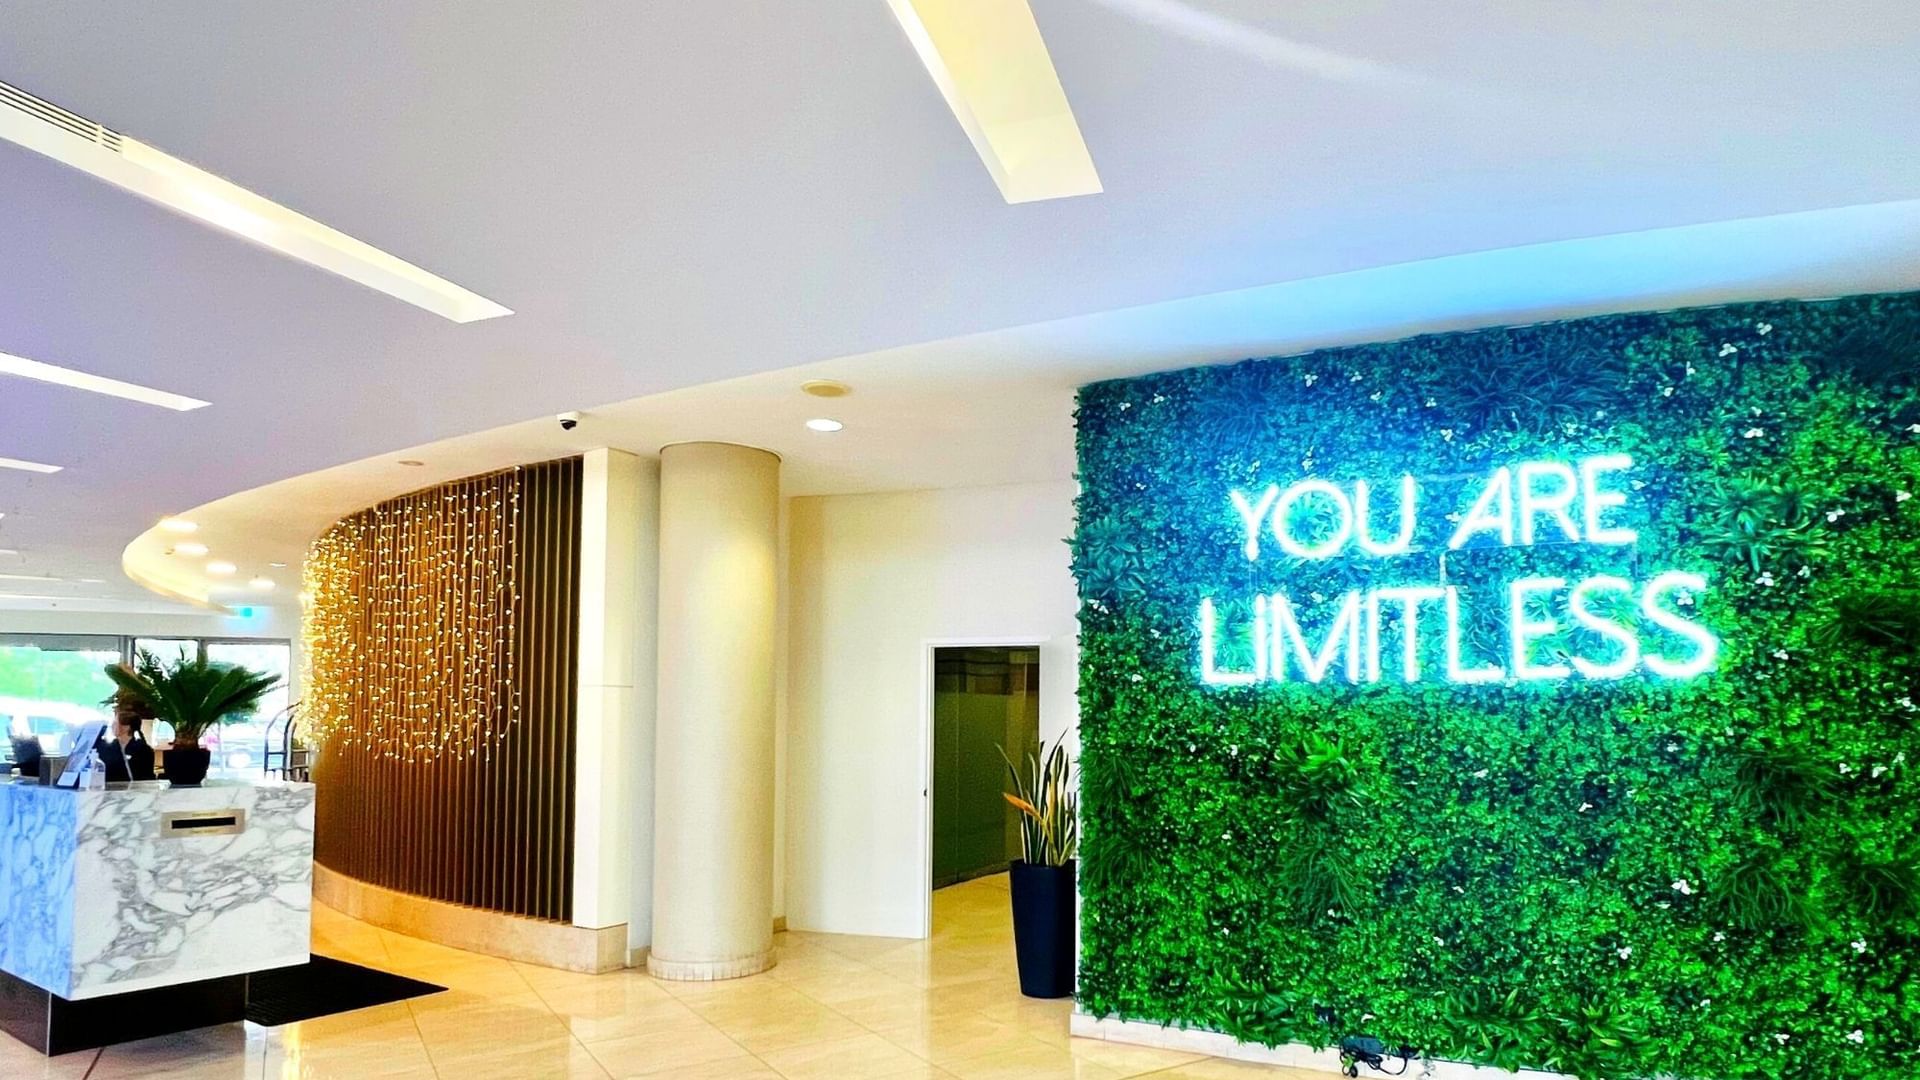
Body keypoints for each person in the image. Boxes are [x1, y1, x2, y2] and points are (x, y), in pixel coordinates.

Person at [95, 688, 157, 783]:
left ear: (126, 727)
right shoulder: (109, 747)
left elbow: (145, 778)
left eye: (115, 723)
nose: (111, 726)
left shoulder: (142, 750)